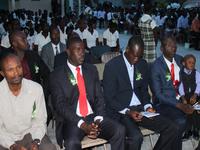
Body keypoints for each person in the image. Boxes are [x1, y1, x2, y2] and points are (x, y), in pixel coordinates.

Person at [103, 36, 179, 150]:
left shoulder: (142, 64)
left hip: (141, 110)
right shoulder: (112, 66)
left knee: (172, 127)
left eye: (139, 56)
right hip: (122, 111)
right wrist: (128, 112)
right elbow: (109, 98)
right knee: (136, 137)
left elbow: (143, 90)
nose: (136, 60)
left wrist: (148, 106)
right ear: (127, 49)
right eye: (134, 56)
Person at [49, 37, 125, 150]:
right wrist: (83, 125)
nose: (82, 53)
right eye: (78, 50)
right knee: (72, 143)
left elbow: (99, 97)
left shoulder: (91, 69)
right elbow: (61, 106)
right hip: (72, 120)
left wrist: (98, 119)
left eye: (83, 49)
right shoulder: (57, 75)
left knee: (119, 130)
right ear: (68, 52)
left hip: (93, 117)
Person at [0, 51, 56, 150]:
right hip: (6, 139)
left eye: (19, 67)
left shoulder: (35, 89)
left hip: (31, 134)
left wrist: (36, 141)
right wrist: (12, 146)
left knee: (49, 148)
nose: (16, 73)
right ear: (2, 73)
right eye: (10, 70)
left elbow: (39, 120)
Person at [151, 35, 194, 150]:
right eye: (169, 45)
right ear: (162, 48)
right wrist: (179, 105)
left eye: (174, 45)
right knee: (180, 121)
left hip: (182, 98)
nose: (173, 48)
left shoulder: (180, 60)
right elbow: (158, 95)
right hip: (164, 104)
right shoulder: (156, 66)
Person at [9, 30, 52, 125]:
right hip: (15, 99)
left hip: (34, 97)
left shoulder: (33, 56)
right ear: (14, 43)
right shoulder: (6, 59)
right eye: (23, 39)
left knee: (47, 113)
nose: (27, 41)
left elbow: (47, 74)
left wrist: (42, 92)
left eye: (26, 39)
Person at [179, 54, 200, 139]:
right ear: (184, 63)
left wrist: (195, 95)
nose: (192, 64)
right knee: (187, 111)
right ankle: (188, 131)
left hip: (196, 95)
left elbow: (199, 85)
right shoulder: (180, 74)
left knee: (196, 111)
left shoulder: (196, 73)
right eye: (190, 62)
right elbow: (180, 87)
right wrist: (183, 98)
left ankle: (196, 129)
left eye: (193, 63)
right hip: (185, 96)